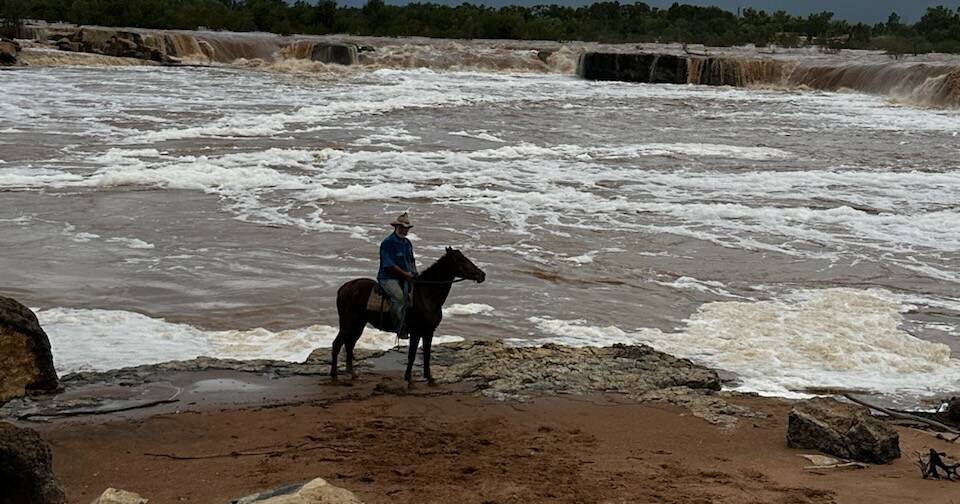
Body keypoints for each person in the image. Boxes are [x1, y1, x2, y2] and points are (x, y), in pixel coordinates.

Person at [377, 212, 417, 338]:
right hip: (388, 278)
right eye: (402, 228)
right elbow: (389, 265)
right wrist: (406, 275)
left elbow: (411, 261)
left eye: (406, 229)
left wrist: (415, 274)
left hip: (407, 276)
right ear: (396, 227)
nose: (404, 231)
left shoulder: (407, 243)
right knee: (399, 299)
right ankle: (400, 328)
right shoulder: (388, 243)